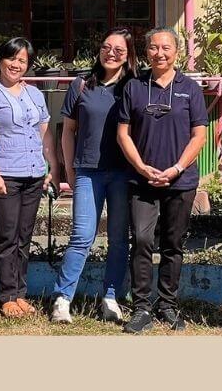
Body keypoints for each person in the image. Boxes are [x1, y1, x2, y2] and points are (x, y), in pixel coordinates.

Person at [117, 27, 208, 333]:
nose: (160, 53)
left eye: (166, 48)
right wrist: (141, 167)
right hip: (141, 180)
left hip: (179, 181)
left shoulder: (190, 89)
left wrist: (178, 168)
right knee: (141, 240)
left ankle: (167, 304)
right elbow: (122, 134)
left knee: (173, 243)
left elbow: (199, 135)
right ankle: (142, 306)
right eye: (154, 48)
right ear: (146, 53)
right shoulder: (134, 87)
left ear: (176, 52)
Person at [50, 28, 136, 325]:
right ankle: (63, 299)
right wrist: (69, 171)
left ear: (128, 54)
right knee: (81, 236)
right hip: (88, 171)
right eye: (106, 47)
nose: (111, 53)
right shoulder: (82, 85)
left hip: (124, 173)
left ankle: (111, 297)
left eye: (119, 49)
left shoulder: (133, 86)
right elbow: (68, 131)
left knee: (118, 239)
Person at [0, 37, 57, 319]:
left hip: (33, 174)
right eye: (12, 58)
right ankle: (7, 295)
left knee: (24, 236)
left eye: (22, 60)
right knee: (7, 237)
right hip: (5, 175)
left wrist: (51, 168)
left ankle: (21, 293)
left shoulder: (35, 94)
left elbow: (45, 134)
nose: (16, 64)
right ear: (0, 60)